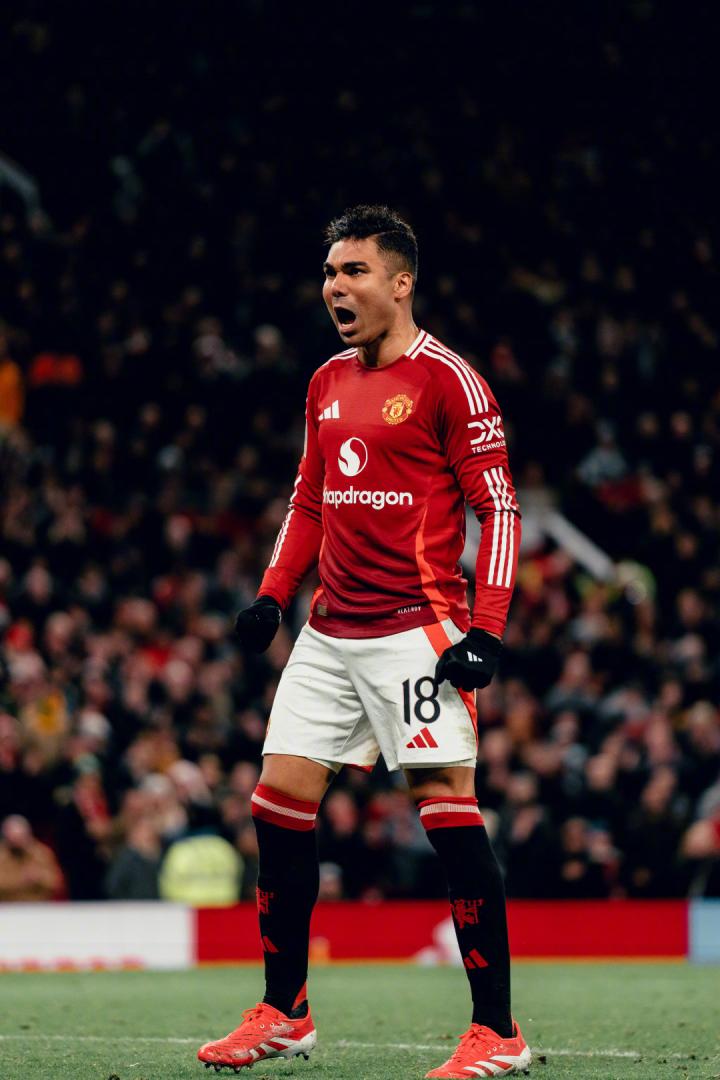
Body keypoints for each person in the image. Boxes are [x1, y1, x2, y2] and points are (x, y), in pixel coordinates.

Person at [198, 206, 530, 1077]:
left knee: (447, 814)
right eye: (329, 273)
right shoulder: (326, 382)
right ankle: (285, 1011)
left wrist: (486, 630)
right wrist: (273, 596)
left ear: (400, 282)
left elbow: (498, 509)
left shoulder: (451, 382)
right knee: (276, 805)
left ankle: (497, 1030)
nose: (335, 288)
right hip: (329, 632)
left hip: (416, 631)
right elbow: (310, 499)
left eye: (353, 272)